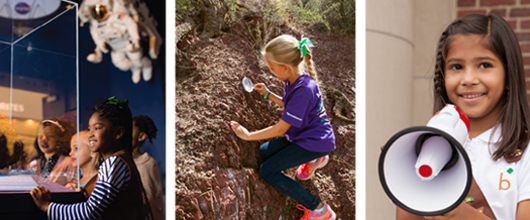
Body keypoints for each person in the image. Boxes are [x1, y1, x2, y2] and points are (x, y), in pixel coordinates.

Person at [398, 14, 530, 220]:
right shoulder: (427, 146)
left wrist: (460, 214)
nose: (468, 79)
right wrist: (406, 169)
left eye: (485, 65)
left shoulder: (525, 153)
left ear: (508, 76)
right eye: (457, 67)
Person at [230, 35, 336, 219]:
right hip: (305, 135)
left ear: (285, 67)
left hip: (314, 142)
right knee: (264, 152)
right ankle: (315, 160)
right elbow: (290, 107)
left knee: (267, 171)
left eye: (272, 68)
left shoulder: (303, 91)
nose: (271, 72)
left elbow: (280, 129)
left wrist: (248, 136)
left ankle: (319, 210)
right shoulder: (294, 79)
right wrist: (268, 94)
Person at [30, 96, 152, 220]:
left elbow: (90, 211)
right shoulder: (122, 160)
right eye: (89, 129)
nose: (90, 134)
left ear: (118, 133)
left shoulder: (114, 162)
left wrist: (48, 207)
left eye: (97, 128)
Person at [132, 115, 165, 220]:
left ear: (141, 136)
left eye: (129, 131)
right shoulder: (122, 162)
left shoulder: (147, 163)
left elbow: (151, 198)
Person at [32, 118, 75, 186]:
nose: (43, 139)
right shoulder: (34, 163)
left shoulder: (69, 162)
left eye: (50, 136)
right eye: (40, 136)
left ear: (59, 138)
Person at [64, 131, 101, 196]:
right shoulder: (74, 183)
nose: (70, 153)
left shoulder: (100, 181)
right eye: (71, 149)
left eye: (76, 148)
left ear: (93, 152)